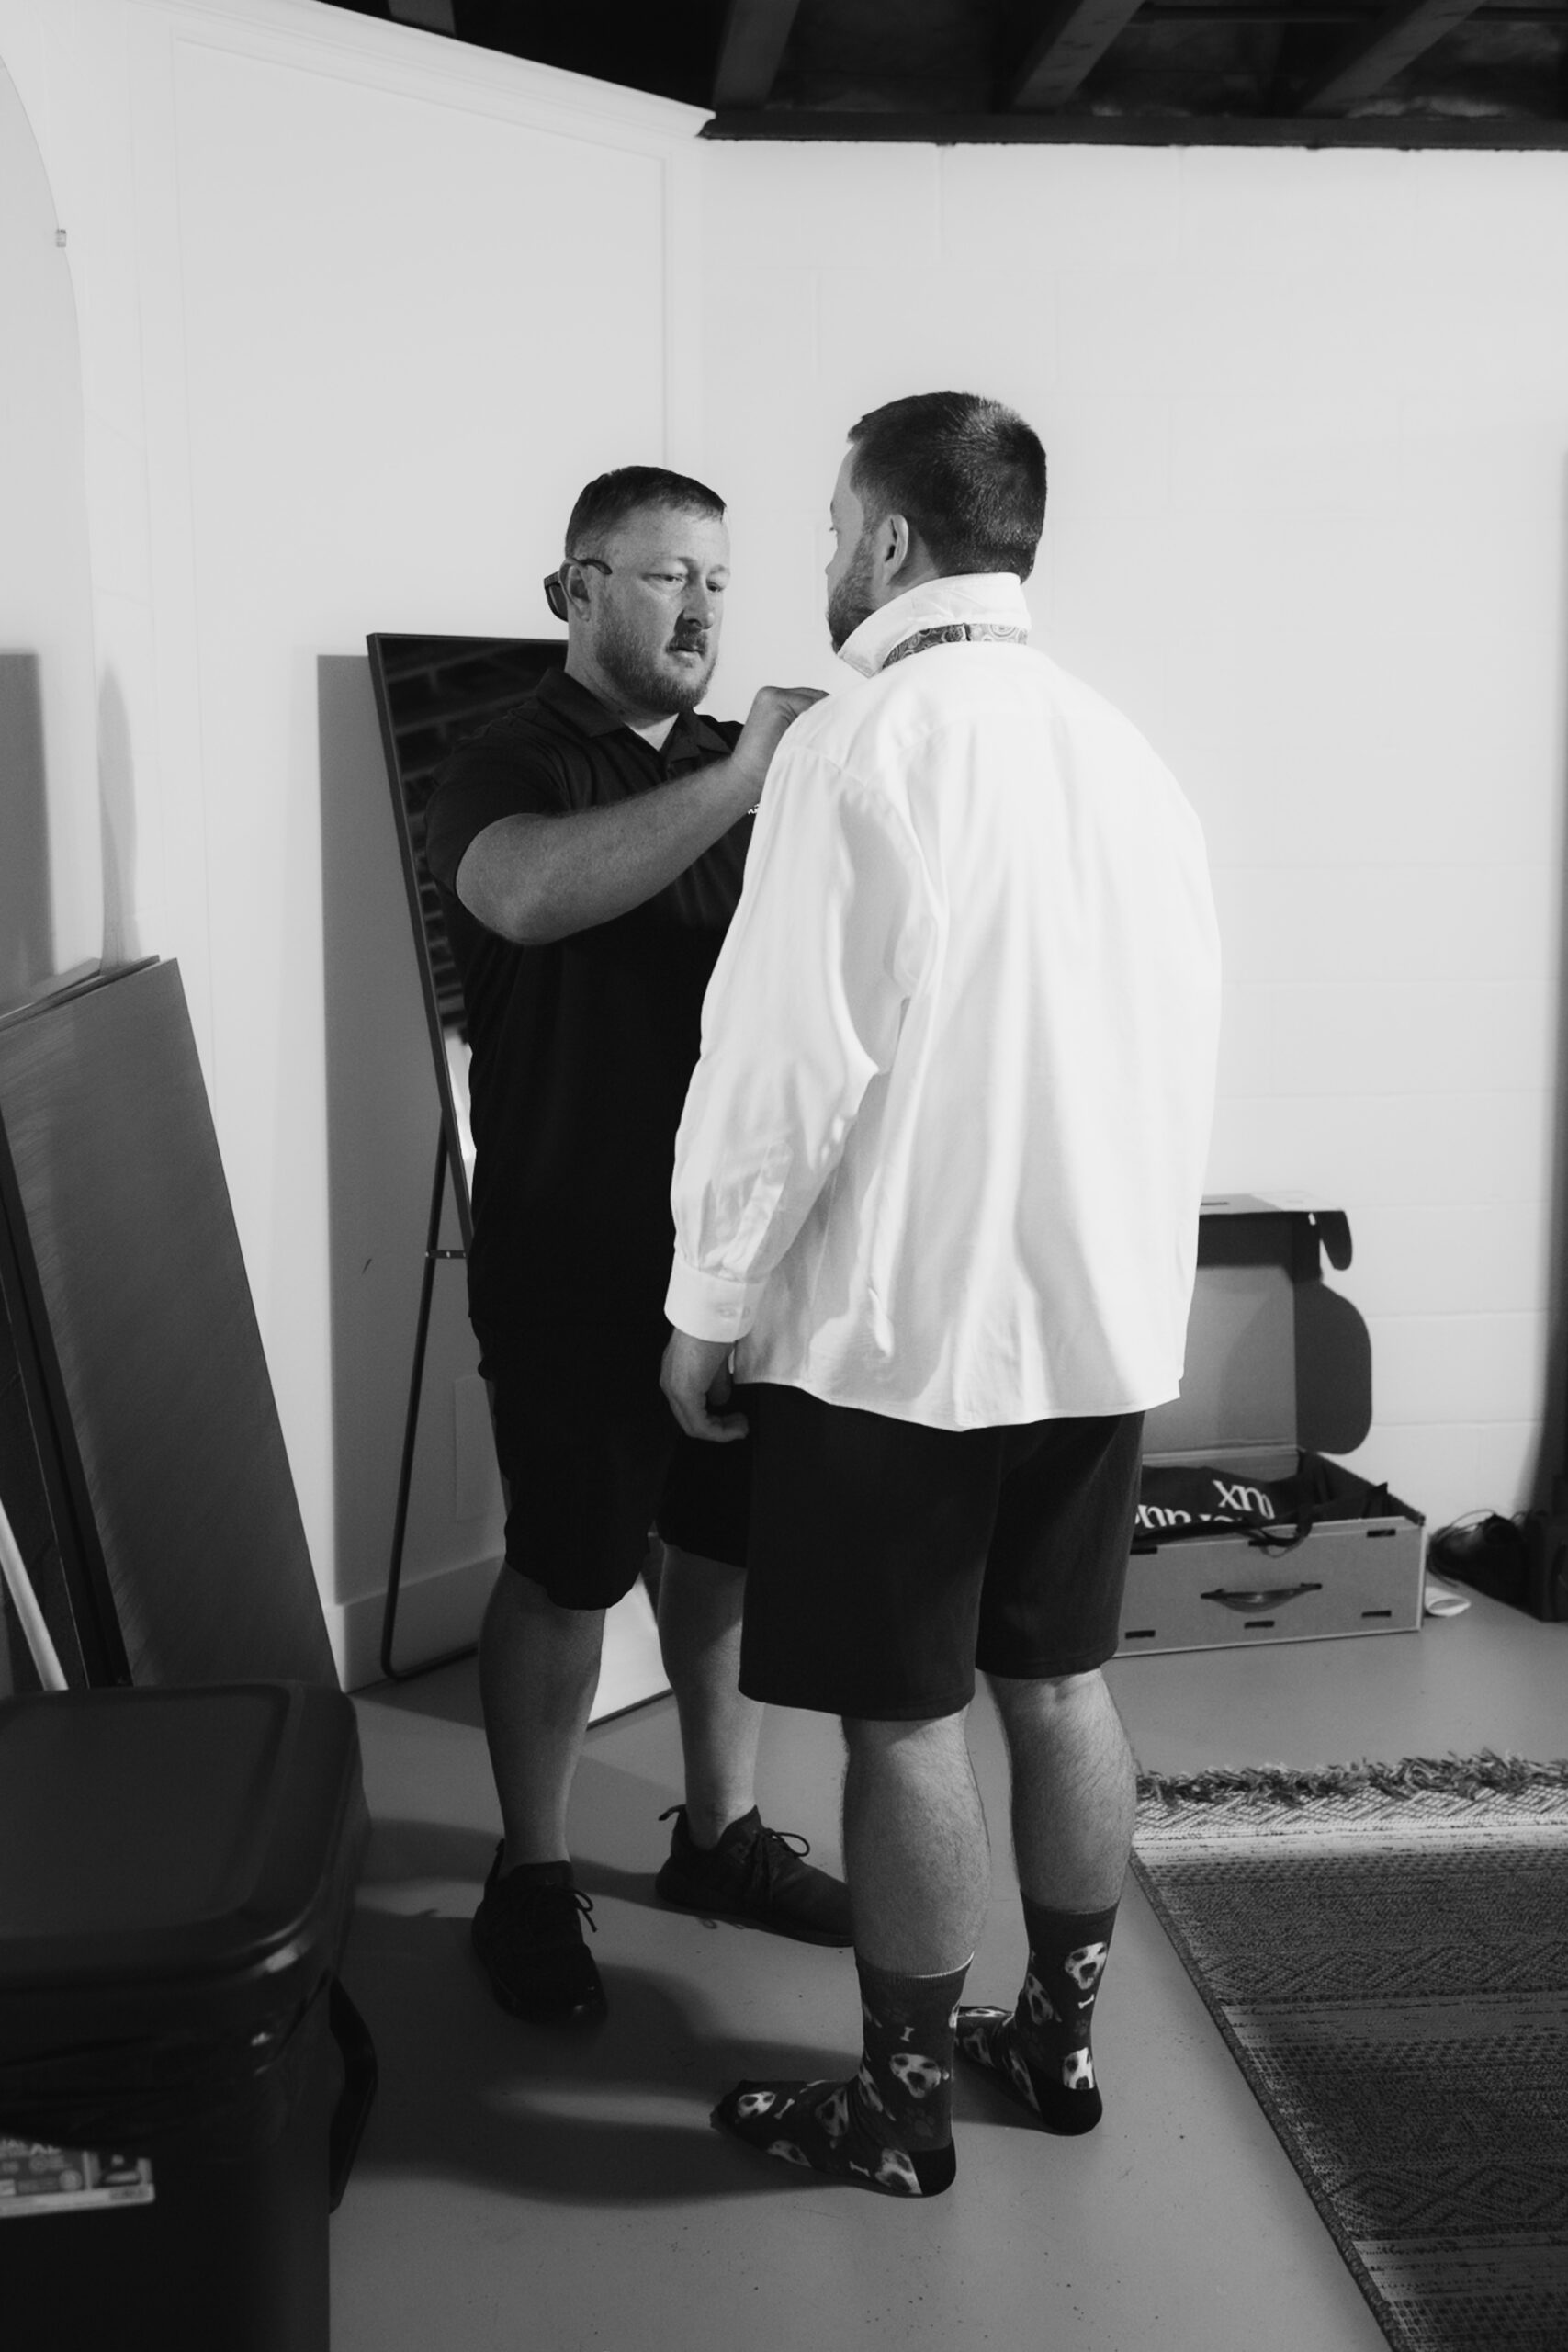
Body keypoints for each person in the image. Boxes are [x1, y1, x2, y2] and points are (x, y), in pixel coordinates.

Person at [660, 393, 1221, 2195]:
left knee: (901, 1718)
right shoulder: (1127, 757)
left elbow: (782, 1066)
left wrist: (707, 1298)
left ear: (892, 540)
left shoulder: (860, 749)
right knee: (1057, 1685)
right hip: (1092, 1324)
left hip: (900, 1340)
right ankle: (1054, 2038)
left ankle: (901, 2107)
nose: (825, 561)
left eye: (834, 529)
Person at [423, 465, 848, 2024]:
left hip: (726, 1256)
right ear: (576, 590)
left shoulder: (749, 774)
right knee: (568, 1566)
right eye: (668, 576)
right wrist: (741, 782)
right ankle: (531, 1873)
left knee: (720, 1545)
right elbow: (523, 895)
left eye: (720, 581)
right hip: (571, 1245)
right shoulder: (509, 757)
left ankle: (719, 1836)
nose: (701, 610)